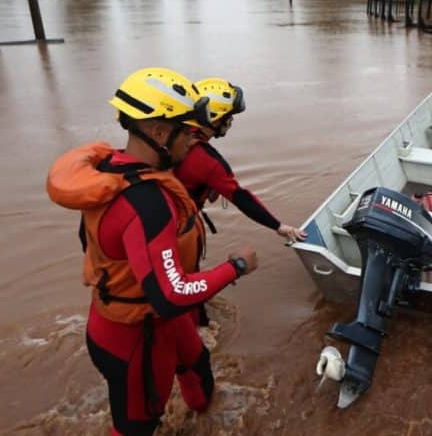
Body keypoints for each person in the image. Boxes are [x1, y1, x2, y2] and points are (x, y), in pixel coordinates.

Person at [47, 67, 259, 436]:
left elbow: (93, 244)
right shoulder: (146, 202)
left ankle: (204, 421)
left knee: (197, 367)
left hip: (153, 322)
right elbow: (171, 294)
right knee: (138, 425)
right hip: (135, 338)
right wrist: (235, 266)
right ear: (160, 131)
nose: (195, 141)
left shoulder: (112, 170)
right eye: (187, 132)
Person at [174, 77, 307, 244]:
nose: (232, 121)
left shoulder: (173, 136)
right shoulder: (209, 160)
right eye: (228, 116)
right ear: (214, 118)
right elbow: (241, 197)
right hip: (177, 229)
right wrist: (278, 226)